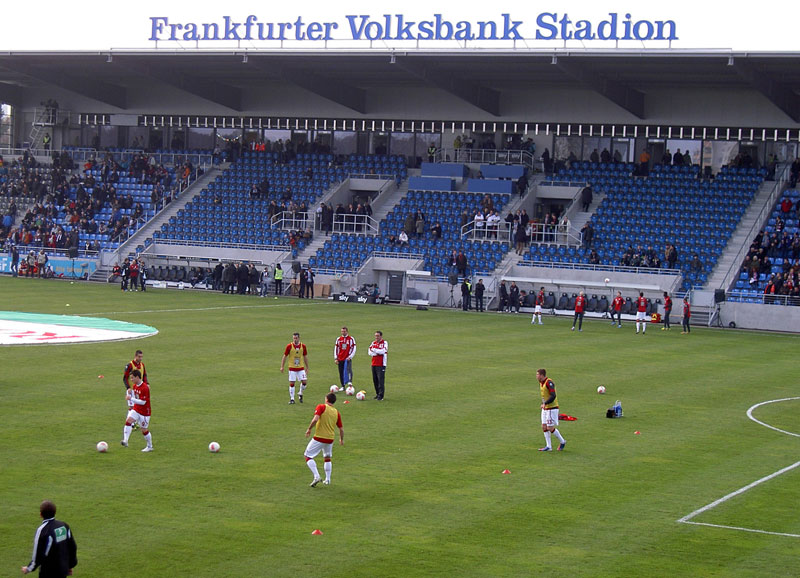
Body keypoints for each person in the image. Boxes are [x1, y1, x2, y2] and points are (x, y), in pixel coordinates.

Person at [21, 500, 77, 577]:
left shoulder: (42, 530)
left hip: (48, 572)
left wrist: (28, 568)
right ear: (55, 512)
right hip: (63, 569)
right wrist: (70, 565)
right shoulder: (63, 526)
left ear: (41, 514)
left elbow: (38, 553)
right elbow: (72, 547)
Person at [304, 392, 344, 487]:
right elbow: (341, 429)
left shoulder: (321, 407)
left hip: (319, 437)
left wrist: (309, 429)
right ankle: (328, 479)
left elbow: (315, 419)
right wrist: (341, 439)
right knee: (327, 457)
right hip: (330, 439)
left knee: (308, 456)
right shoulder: (336, 412)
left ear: (326, 399)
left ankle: (316, 476)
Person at [121, 369, 153, 452]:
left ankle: (149, 446)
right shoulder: (135, 386)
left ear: (137, 377)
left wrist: (131, 398)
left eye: (132, 378)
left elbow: (143, 402)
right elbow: (136, 398)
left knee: (144, 430)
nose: (131, 380)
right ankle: (125, 441)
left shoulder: (145, 388)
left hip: (145, 412)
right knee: (128, 421)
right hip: (136, 409)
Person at [537, 368, 566, 452]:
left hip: (552, 408)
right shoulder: (541, 382)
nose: (536, 376)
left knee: (550, 427)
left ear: (542, 375)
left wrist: (545, 403)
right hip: (545, 408)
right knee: (544, 426)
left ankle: (562, 441)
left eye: (537, 374)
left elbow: (553, 395)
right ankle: (548, 446)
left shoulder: (549, 383)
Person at [281, 332, 309, 404]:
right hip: (292, 368)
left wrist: (307, 367)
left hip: (301, 368)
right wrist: (282, 366)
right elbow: (285, 356)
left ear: (299, 338)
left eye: (296, 338)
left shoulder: (303, 346)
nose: (295, 339)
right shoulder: (289, 346)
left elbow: (305, 356)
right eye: (294, 338)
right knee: (292, 383)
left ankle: (300, 392)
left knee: (304, 382)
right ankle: (292, 399)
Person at [123, 350, 147, 420]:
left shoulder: (142, 365)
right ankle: (130, 423)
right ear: (135, 356)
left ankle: (132, 423)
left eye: (141, 357)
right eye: (139, 357)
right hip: (131, 390)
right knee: (131, 407)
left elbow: (144, 375)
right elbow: (125, 378)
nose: (141, 358)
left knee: (138, 406)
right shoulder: (130, 365)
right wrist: (128, 388)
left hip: (139, 389)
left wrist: (147, 384)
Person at [368, 330, 388, 401]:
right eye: (375, 336)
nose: (376, 337)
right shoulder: (373, 343)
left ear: (381, 336)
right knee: (375, 380)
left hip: (381, 364)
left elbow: (383, 351)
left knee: (380, 380)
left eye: (378, 336)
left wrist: (374, 350)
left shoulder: (384, 343)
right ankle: (377, 393)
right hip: (374, 363)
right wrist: (376, 352)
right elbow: (369, 352)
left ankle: (381, 396)